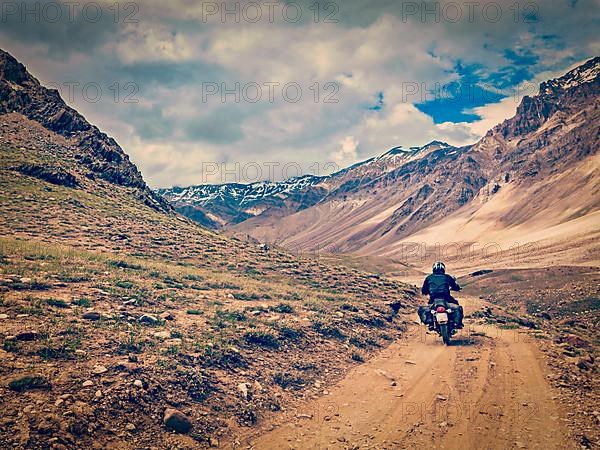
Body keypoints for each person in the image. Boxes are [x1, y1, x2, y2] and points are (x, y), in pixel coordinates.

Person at [419, 261, 464, 329]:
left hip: (433, 298)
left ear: (433, 269)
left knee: (428, 308)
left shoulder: (429, 278)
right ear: (443, 269)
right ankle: (458, 323)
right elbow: (455, 286)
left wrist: (425, 292)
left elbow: (424, 290)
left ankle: (430, 323)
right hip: (446, 297)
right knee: (457, 306)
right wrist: (457, 288)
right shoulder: (447, 277)